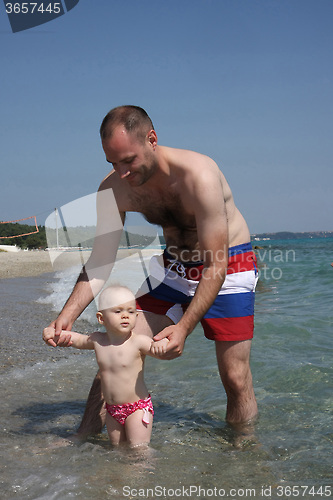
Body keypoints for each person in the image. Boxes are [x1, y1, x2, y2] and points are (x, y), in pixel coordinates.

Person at [44, 105, 259, 436]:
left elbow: (216, 262)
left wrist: (184, 328)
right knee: (115, 354)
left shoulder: (198, 175)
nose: (122, 171)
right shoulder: (114, 188)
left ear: (152, 139)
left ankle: (243, 452)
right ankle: (82, 443)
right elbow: (101, 259)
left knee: (235, 377)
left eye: (128, 160)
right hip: (173, 269)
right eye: (113, 162)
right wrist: (68, 314)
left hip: (229, 266)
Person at [43, 285, 169, 447]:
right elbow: (75, 339)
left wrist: (164, 343)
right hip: (112, 410)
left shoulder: (139, 341)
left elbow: (159, 350)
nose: (125, 316)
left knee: (139, 451)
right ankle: (119, 473)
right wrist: (53, 333)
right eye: (118, 311)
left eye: (131, 312)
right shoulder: (98, 340)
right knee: (118, 449)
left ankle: (142, 472)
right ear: (101, 318)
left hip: (137, 409)